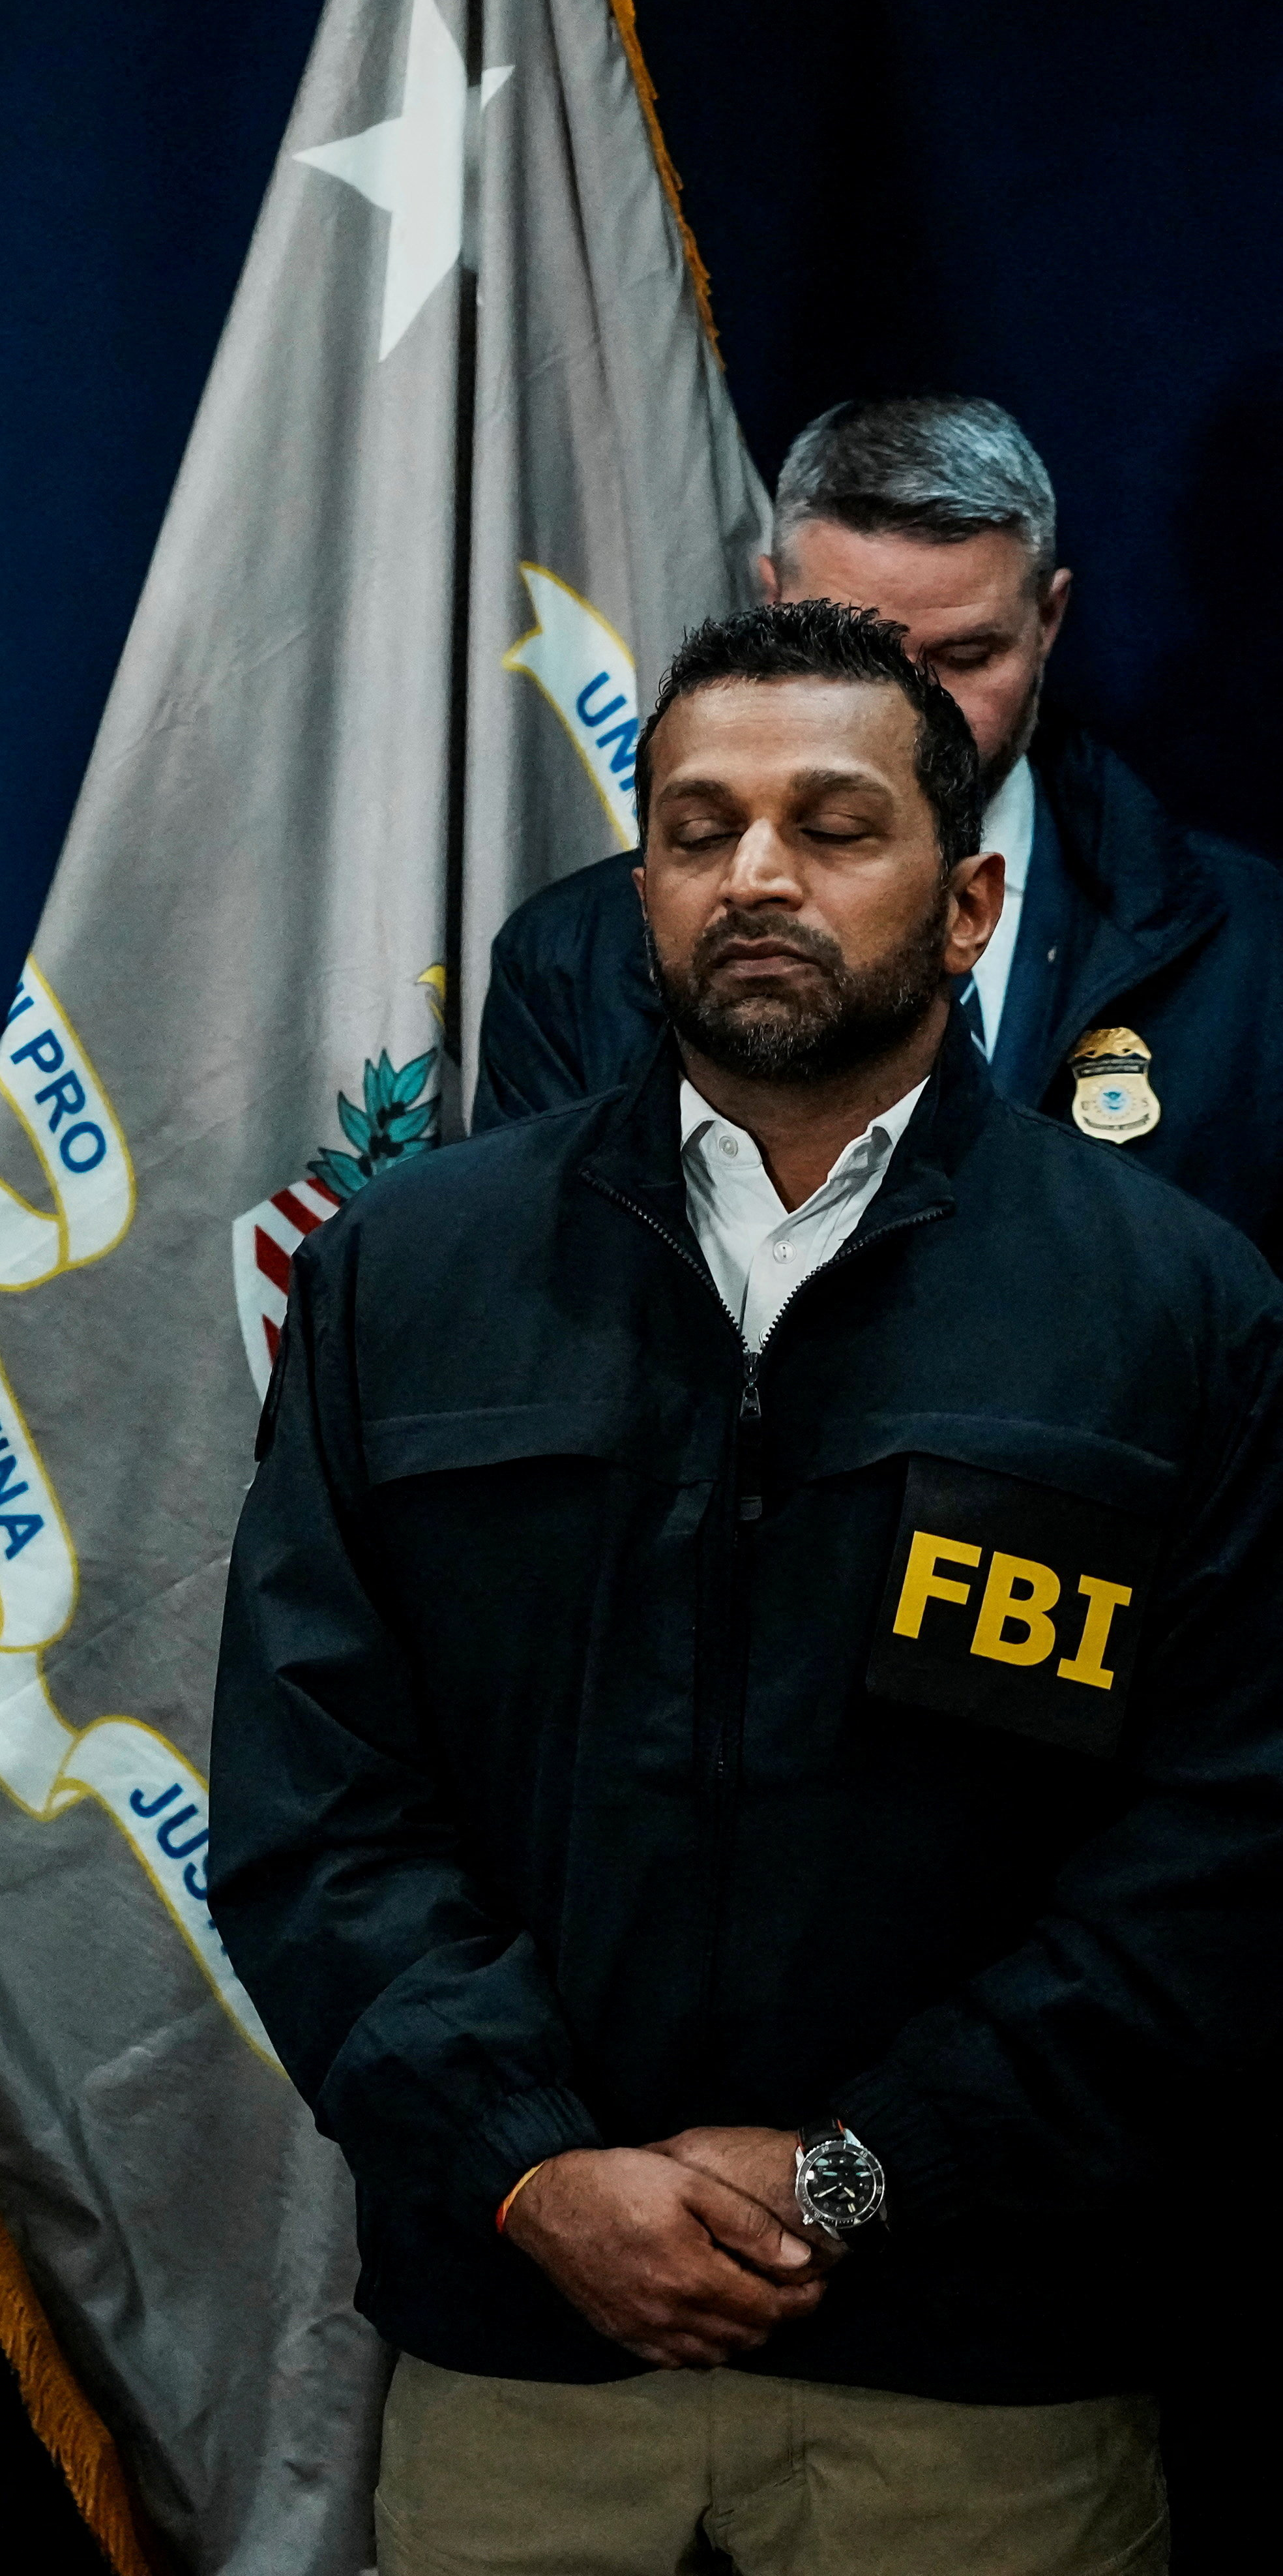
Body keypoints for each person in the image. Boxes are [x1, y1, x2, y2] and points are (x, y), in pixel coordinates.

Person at [212, 599, 1283, 2574]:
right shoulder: (414, 1278)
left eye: (831, 824)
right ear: (642, 893)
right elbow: (315, 1803)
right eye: (698, 831)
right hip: (532, 2369)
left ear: (967, 906)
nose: (757, 874)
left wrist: (869, 2172)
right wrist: (530, 2171)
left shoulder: (1174, 1310)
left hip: (982, 2390)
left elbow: (1217, 1858)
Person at [475, 395, 1283, 1261]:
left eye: (967, 658)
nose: (916, 717)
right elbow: (538, 1339)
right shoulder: (574, 960)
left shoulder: (1256, 948)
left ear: (1047, 621)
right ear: (775, 607)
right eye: (857, 654)